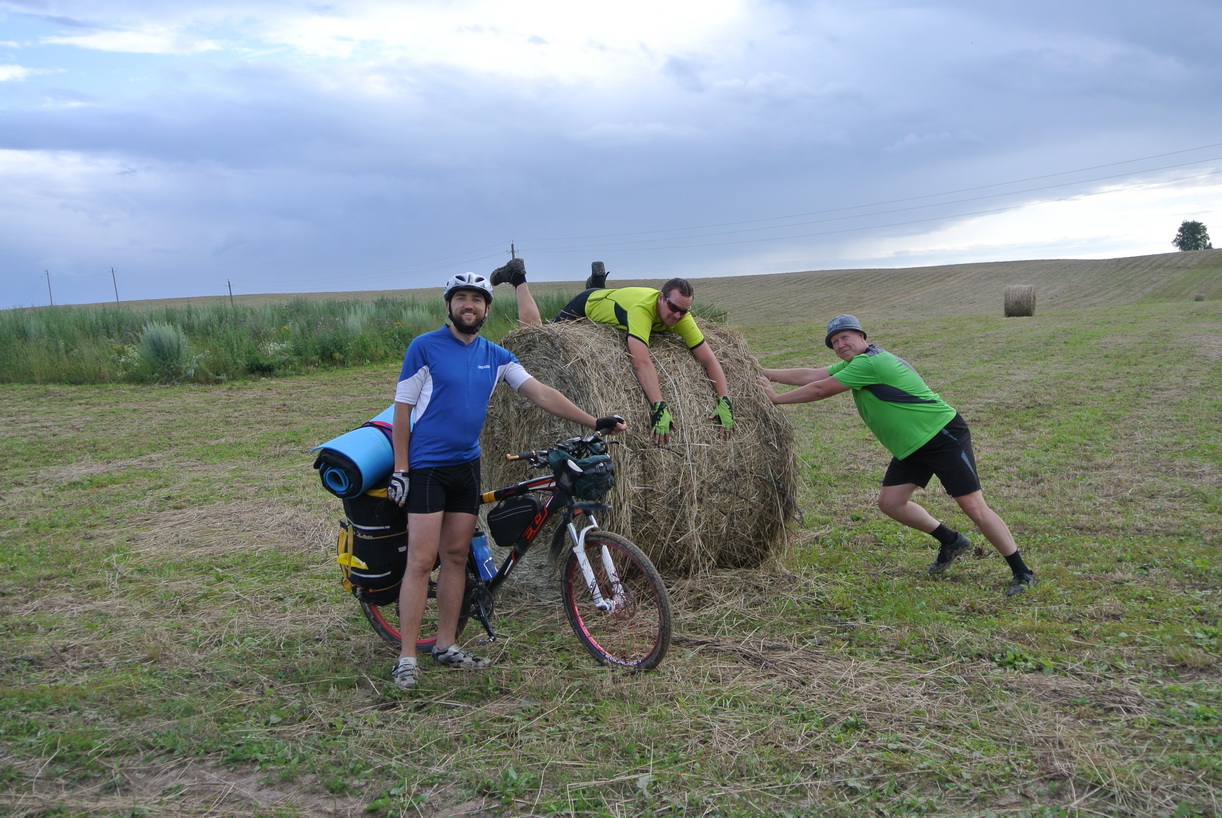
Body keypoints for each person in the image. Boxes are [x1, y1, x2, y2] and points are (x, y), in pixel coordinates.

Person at [385, 272, 626, 690]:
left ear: (486, 309)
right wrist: (401, 470)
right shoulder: (424, 348)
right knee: (423, 561)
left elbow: (540, 392)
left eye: (476, 300)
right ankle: (407, 656)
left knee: (457, 556)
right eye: (461, 298)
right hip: (426, 468)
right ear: (449, 306)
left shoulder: (495, 355)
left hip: (466, 466)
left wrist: (594, 420)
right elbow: (402, 412)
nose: (469, 306)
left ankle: (446, 645)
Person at [758, 314, 1036, 596]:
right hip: (912, 445)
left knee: (974, 507)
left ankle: (1022, 571)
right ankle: (951, 540)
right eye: (834, 341)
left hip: (941, 435)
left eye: (845, 337)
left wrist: (776, 398)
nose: (840, 344)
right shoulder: (857, 362)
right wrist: (761, 371)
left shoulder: (871, 363)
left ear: (862, 337)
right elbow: (813, 375)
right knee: (891, 503)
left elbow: (820, 389)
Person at [489, 257, 735, 446]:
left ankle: (598, 284)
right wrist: (659, 407)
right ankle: (518, 277)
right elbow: (641, 362)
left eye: (685, 311)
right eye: (673, 307)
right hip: (588, 304)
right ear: (661, 298)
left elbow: (708, 359)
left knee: (611, 306)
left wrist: (724, 400)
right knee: (535, 335)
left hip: (613, 300)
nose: (678, 315)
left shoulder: (682, 316)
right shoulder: (642, 311)